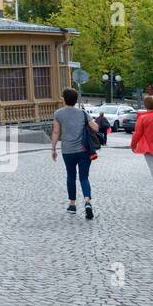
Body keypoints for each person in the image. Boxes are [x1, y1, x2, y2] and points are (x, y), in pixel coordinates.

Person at [51, 88, 101, 219]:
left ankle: (72, 204)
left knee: (71, 175)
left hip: (68, 150)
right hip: (84, 150)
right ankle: (87, 202)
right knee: (84, 177)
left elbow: (56, 132)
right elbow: (95, 127)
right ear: (76, 99)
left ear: (64, 99)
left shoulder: (58, 113)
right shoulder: (82, 113)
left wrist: (53, 149)